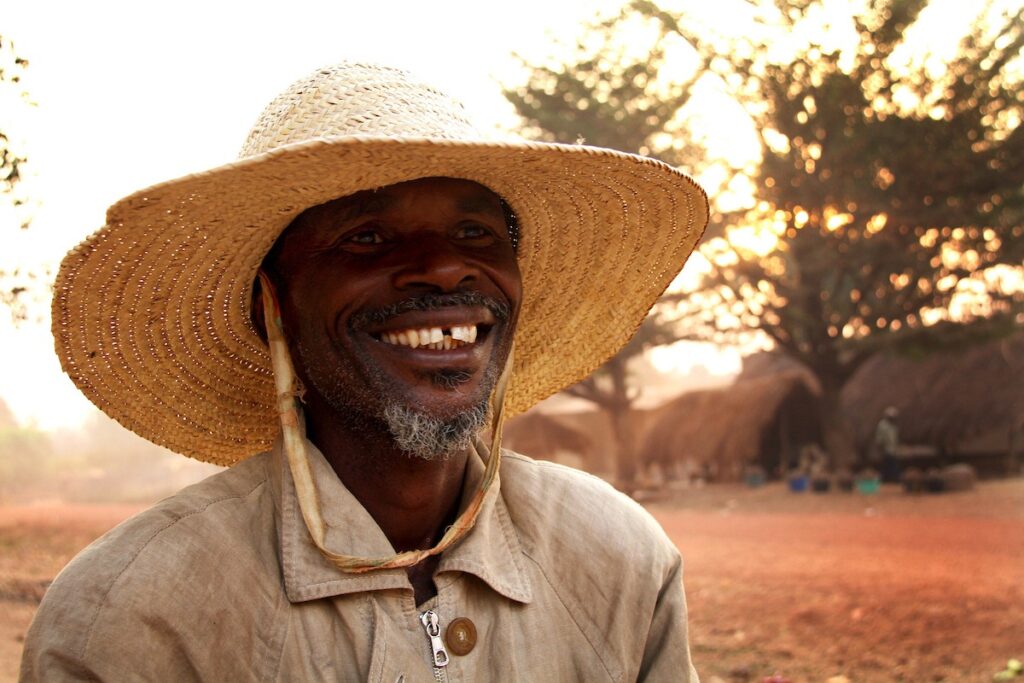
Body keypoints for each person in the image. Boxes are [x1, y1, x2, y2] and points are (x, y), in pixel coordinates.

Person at [21, 62, 708, 681]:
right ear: (274, 305)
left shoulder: (620, 560)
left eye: (474, 233)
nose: (444, 267)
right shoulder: (137, 616)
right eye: (367, 236)